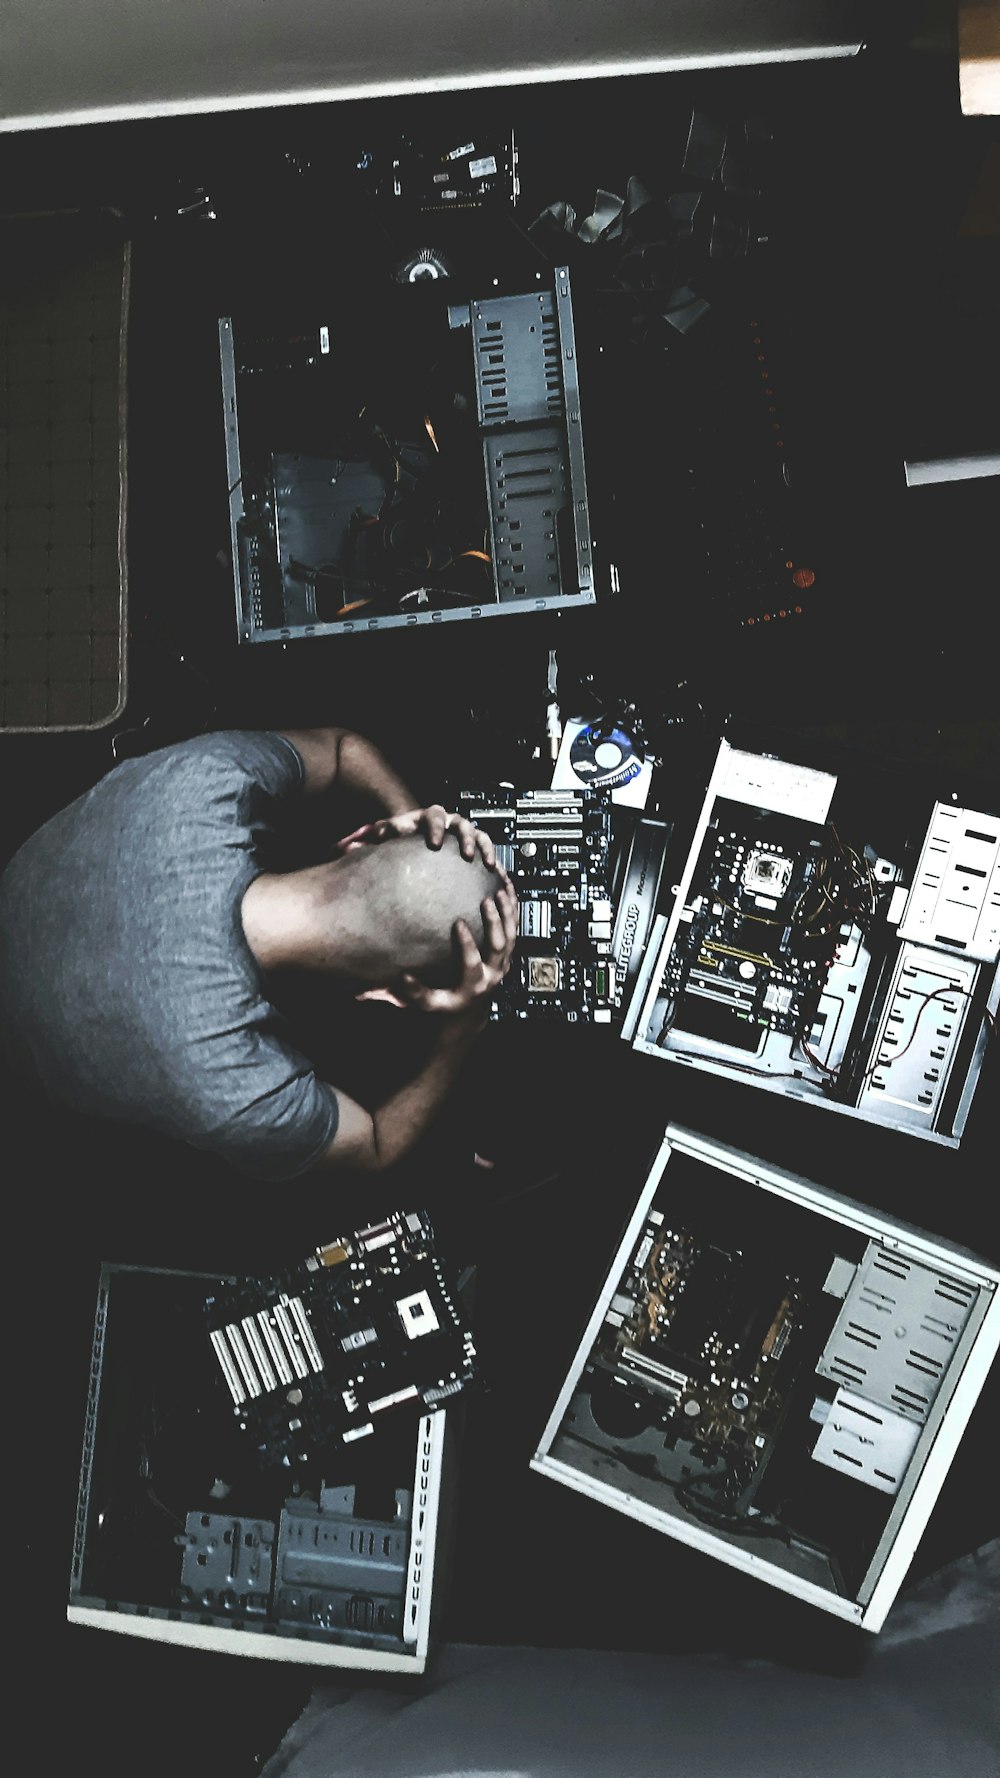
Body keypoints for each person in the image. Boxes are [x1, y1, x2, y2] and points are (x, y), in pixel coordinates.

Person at [0, 725, 518, 1183]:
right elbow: (379, 1145)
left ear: (360, 840)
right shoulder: (236, 1088)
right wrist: (462, 1029)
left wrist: (408, 821)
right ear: (391, 994)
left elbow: (342, 747)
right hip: (16, 1067)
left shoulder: (209, 778)